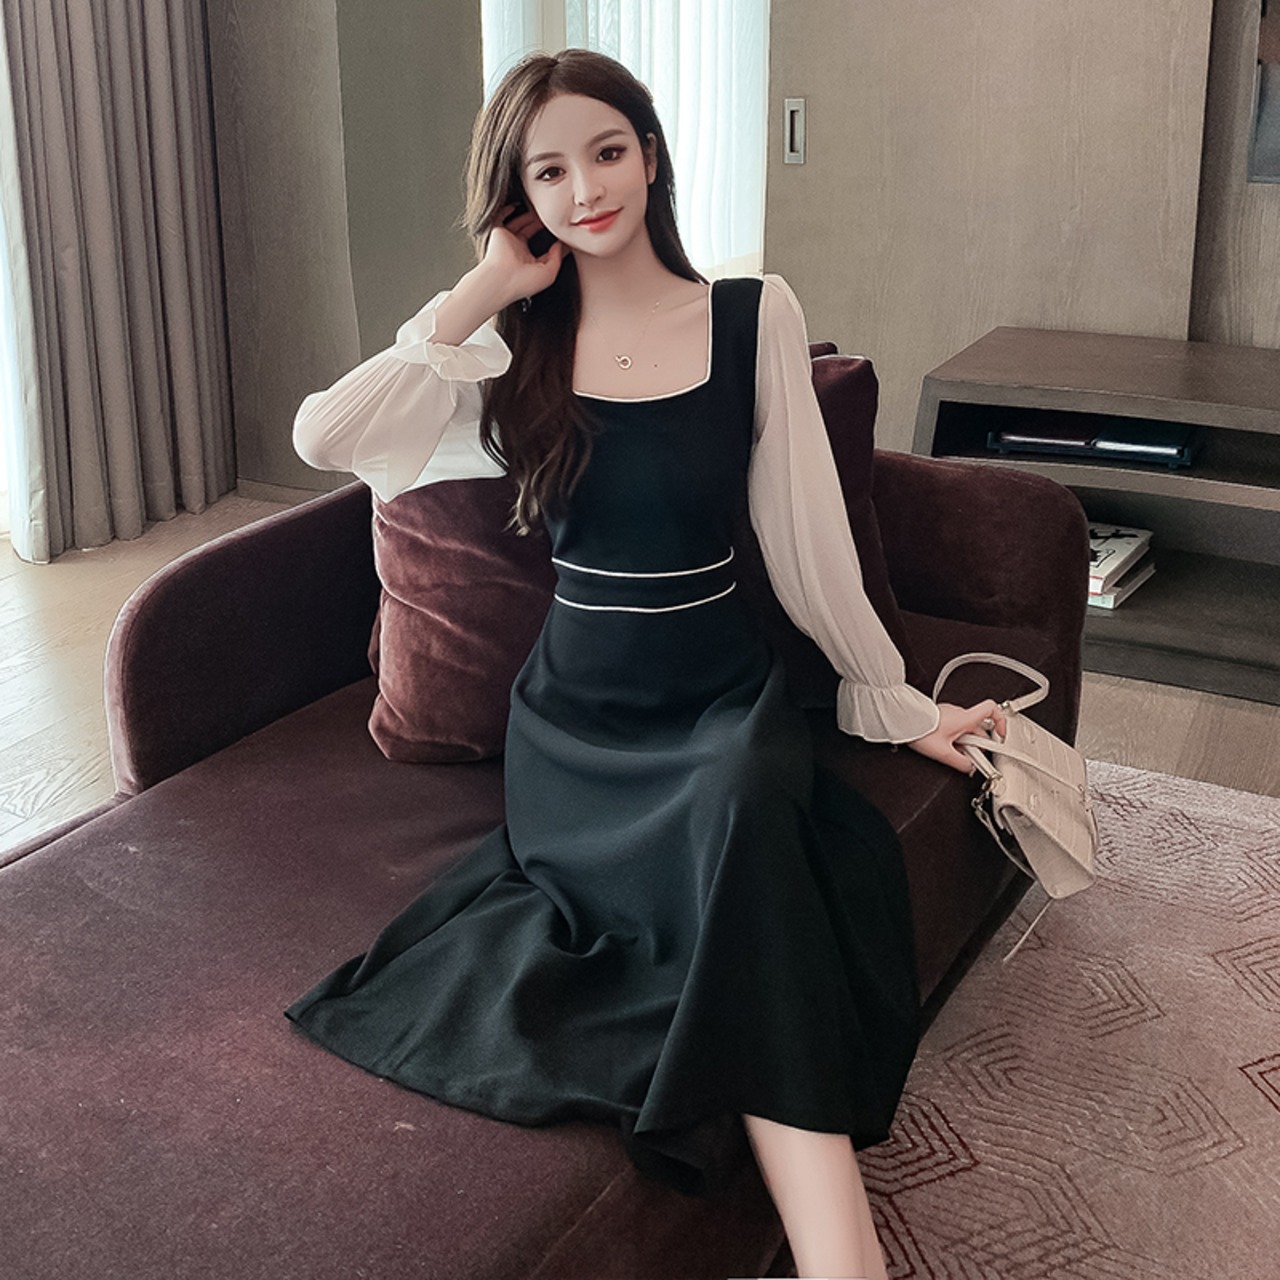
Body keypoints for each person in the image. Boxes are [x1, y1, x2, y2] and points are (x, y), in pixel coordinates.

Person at [286, 48, 1005, 1280]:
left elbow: (805, 537)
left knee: (745, 818)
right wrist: (482, 287)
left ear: (651, 154)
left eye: (606, 152)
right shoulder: (510, 345)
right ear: (518, 198)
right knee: (739, 867)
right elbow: (324, 435)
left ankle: (839, 1256)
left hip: (718, 695)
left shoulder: (750, 313)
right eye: (547, 172)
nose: (585, 189)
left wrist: (887, 701)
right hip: (575, 724)